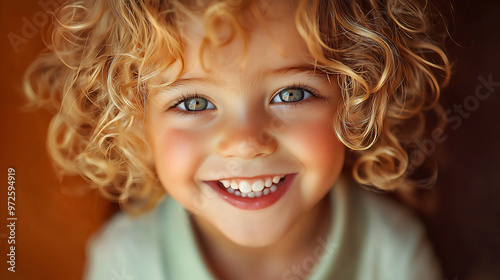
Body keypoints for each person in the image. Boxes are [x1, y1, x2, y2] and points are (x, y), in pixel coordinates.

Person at [24, 0, 451, 279]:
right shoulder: (125, 261)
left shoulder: (392, 253)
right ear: (136, 125)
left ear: (356, 101)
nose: (246, 142)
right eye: (193, 103)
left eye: (292, 94)